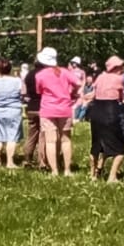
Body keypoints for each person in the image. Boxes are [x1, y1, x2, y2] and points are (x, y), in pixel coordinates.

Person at [35, 46, 81, 177]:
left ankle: (54, 171)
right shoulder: (65, 72)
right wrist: (73, 93)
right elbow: (78, 82)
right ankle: (67, 170)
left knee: (50, 141)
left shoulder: (40, 75)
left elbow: (39, 91)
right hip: (65, 109)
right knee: (66, 140)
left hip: (48, 109)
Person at [88, 55, 124, 183]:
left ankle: (92, 175)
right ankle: (112, 177)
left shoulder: (100, 77)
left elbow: (94, 92)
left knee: (96, 145)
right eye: (122, 66)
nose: (123, 68)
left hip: (96, 111)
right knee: (119, 149)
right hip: (110, 111)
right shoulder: (119, 79)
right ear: (116, 67)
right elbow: (121, 97)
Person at [0, 60, 23, 168]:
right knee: (11, 137)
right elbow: (22, 92)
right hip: (14, 109)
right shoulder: (17, 81)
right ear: (10, 69)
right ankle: (10, 162)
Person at [22, 60, 47, 169]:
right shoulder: (45, 75)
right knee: (43, 136)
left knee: (31, 135)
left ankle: (27, 159)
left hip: (31, 107)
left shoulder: (29, 75)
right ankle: (42, 162)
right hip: (42, 106)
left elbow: (26, 90)